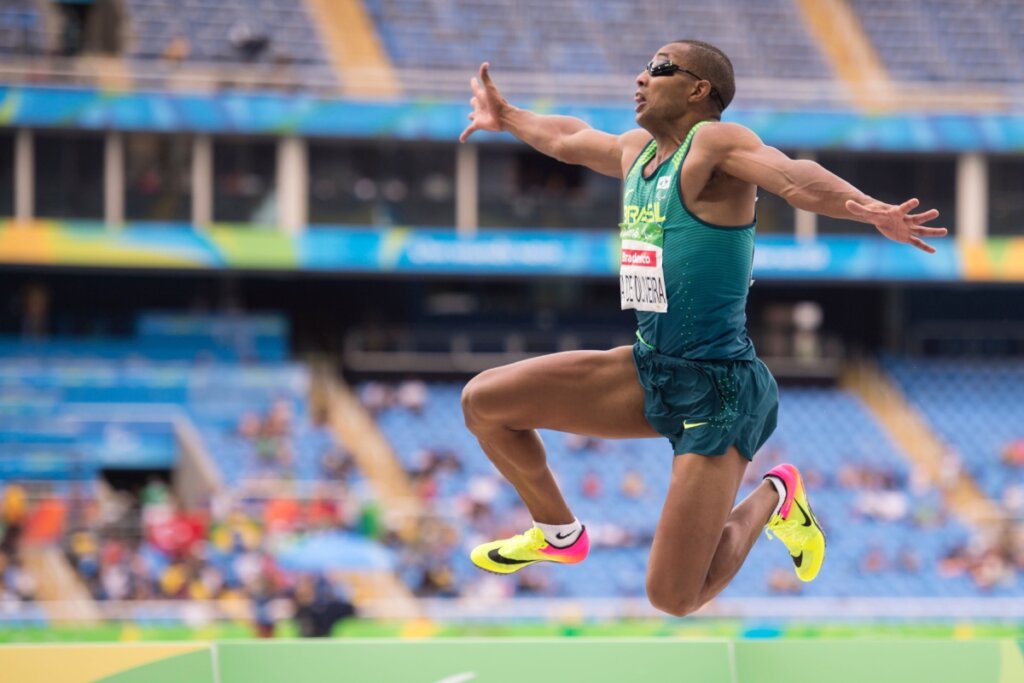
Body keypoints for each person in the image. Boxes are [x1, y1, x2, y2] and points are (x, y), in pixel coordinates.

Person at [458, 40, 947, 616]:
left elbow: (793, 177)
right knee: (485, 401)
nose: (640, 77)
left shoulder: (715, 144)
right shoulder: (638, 151)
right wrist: (507, 116)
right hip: (650, 368)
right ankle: (558, 533)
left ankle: (778, 493)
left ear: (698, 90)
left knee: (672, 596)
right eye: (642, 66)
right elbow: (567, 138)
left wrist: (868, 209)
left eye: (658, 69)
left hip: (719, 391)